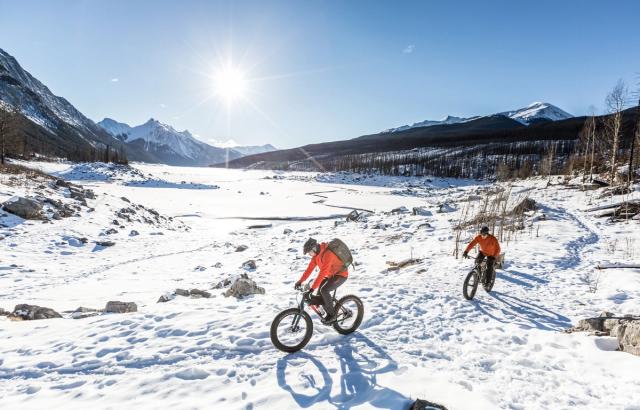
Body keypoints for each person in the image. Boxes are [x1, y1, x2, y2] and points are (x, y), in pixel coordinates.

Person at [295, 238, 348, 324]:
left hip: (340, 275)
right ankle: (327, 309)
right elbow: (309, 270)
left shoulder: (328, 253)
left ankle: (332, 315)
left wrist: (312, 289)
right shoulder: (316, 256)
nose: (309, 254)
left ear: (314, 248)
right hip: (330, 275)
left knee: (324, 290)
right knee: (320, 295)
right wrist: (300, 281)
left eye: (309, 252)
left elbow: (323, 273)